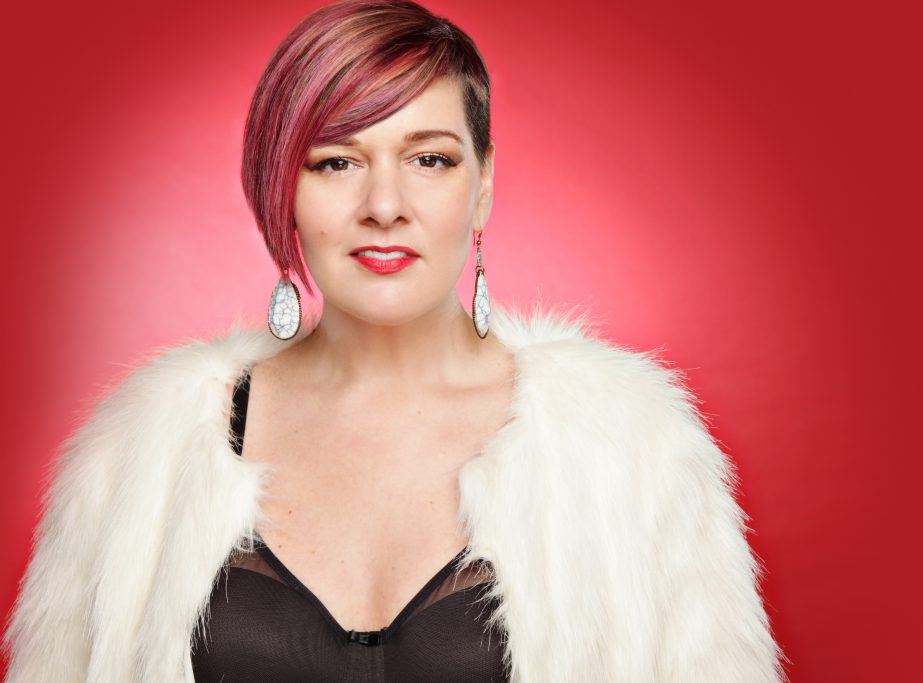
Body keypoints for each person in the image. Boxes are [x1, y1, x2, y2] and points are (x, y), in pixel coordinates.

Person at [1, 1, 787, 681]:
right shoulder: (141, 455)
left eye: (429, 158)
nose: (384, 203)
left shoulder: (634, 447)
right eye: (337, 161)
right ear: (282, 188)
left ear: (482, 186)